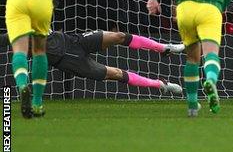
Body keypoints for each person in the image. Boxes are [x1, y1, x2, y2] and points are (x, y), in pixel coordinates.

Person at [0, 31, 184, 93]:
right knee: (116, 74)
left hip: (75, 41)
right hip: (68, 62)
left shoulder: (35, 5)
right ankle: (162, 85)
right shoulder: (15, 33)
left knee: (118, 36)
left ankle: (164, 47)